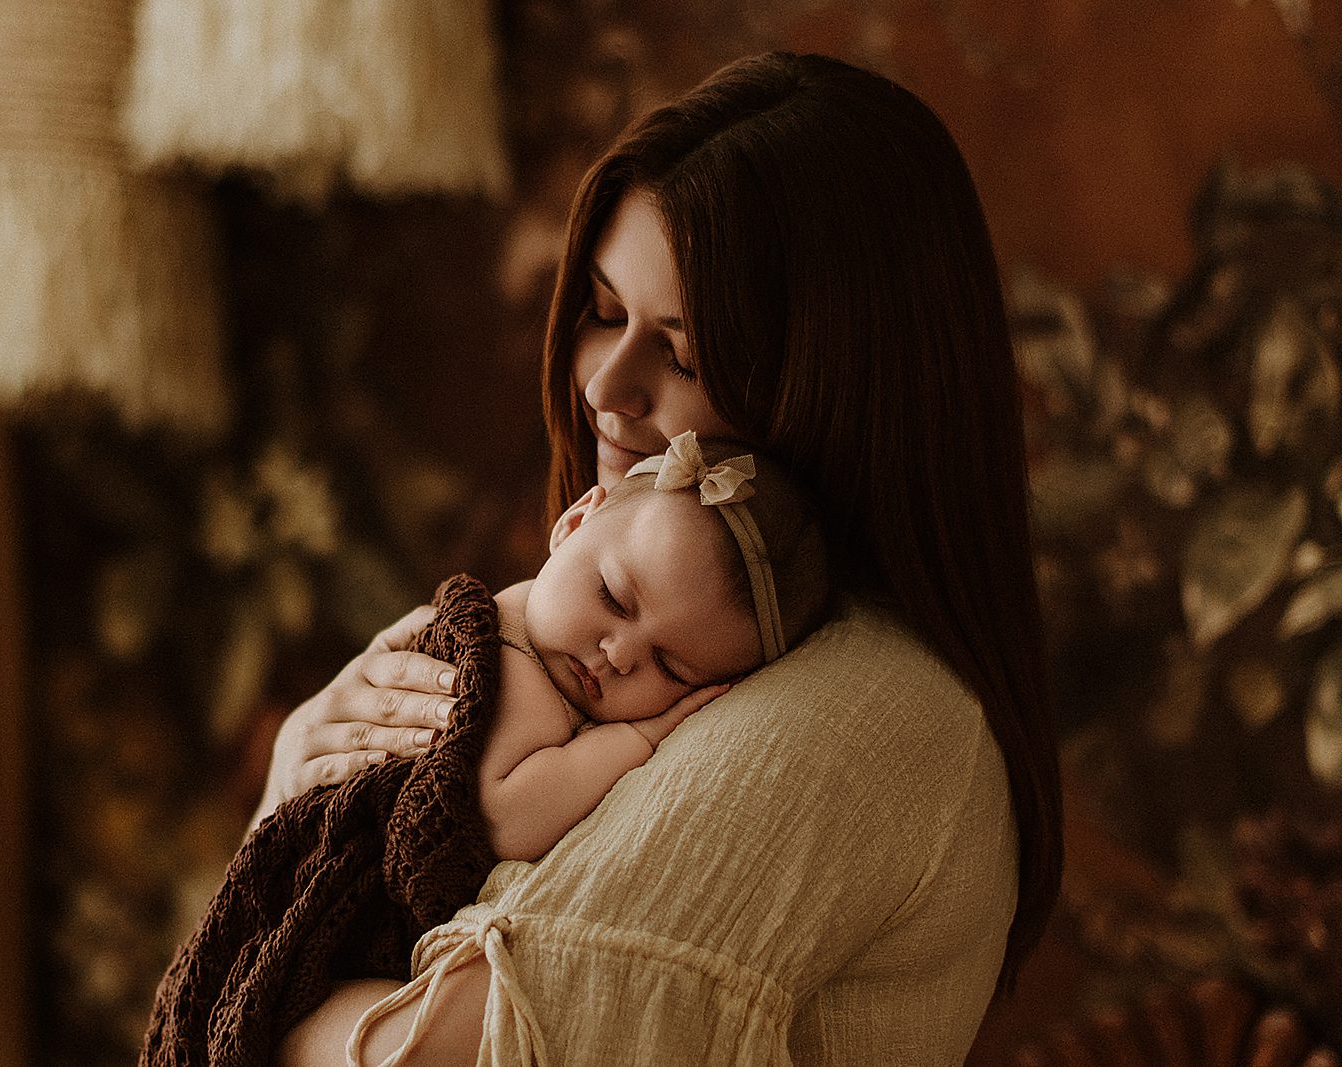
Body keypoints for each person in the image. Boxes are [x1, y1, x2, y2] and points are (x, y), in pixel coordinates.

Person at [263, 50, 1064, 1066]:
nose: (606, 387)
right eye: (603, 311)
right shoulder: (616, 638)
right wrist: (298, 782)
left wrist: (263, 990)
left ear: (835, 391)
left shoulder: (862, 707)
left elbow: (444, 1055)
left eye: (683, 355)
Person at [482, 431, 827, 863]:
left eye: (669, 668)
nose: (617, 655)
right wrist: (638, 737)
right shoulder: (512, 660)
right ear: (573, 525)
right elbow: (506, 821)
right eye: (612, 596)